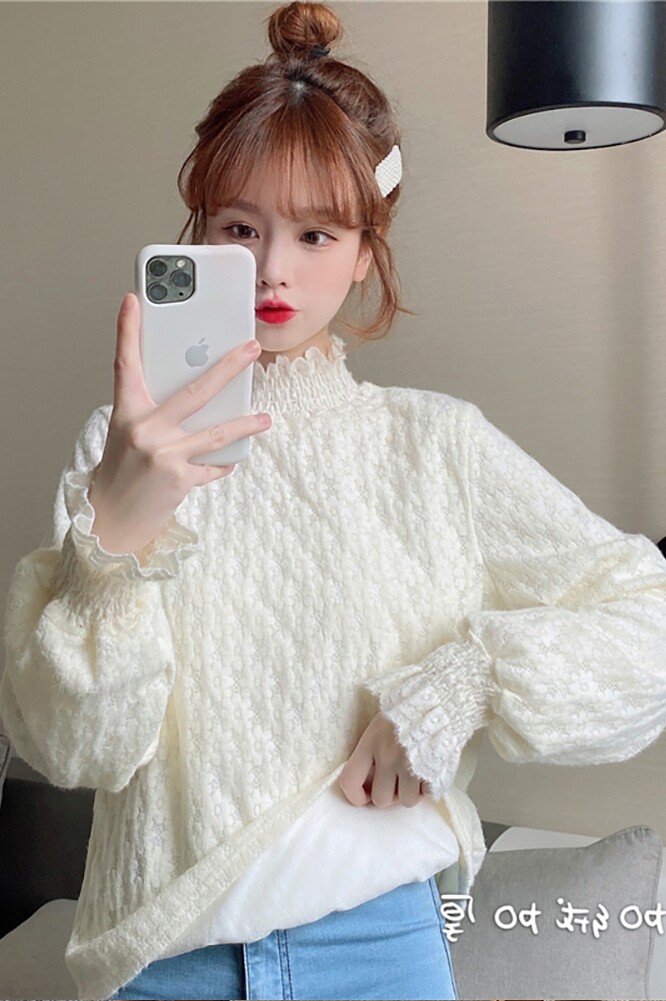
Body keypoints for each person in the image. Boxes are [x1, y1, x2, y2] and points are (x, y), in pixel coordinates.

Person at [2, 3, 666, 1000]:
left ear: (366, 249)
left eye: (316, 232)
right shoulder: (121, 445)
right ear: (202, 233)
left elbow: (648, 617)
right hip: (162, 955)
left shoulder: (434, 444)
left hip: (380, 948)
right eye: (240, 229)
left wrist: (465, 683)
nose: (273, 269)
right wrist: (119, 537)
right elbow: (73, 747)